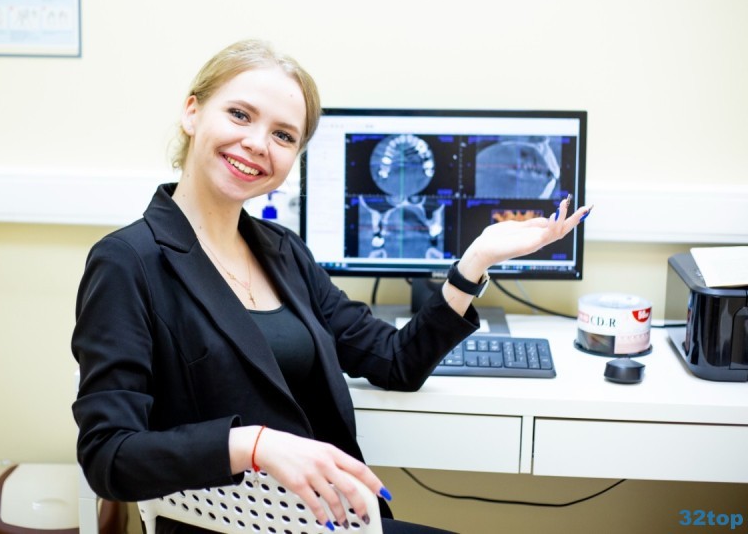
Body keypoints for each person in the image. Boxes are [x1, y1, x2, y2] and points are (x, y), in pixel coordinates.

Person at [72, 39, 592, 534]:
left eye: (283, 136)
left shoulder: (282, 252)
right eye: (240, 115)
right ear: (192, 112)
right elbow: (108, 455)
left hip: (329, 520)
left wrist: (474, 261)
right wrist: (253, 445)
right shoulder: (128, 262)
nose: (257, 144)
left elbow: (395, 362)